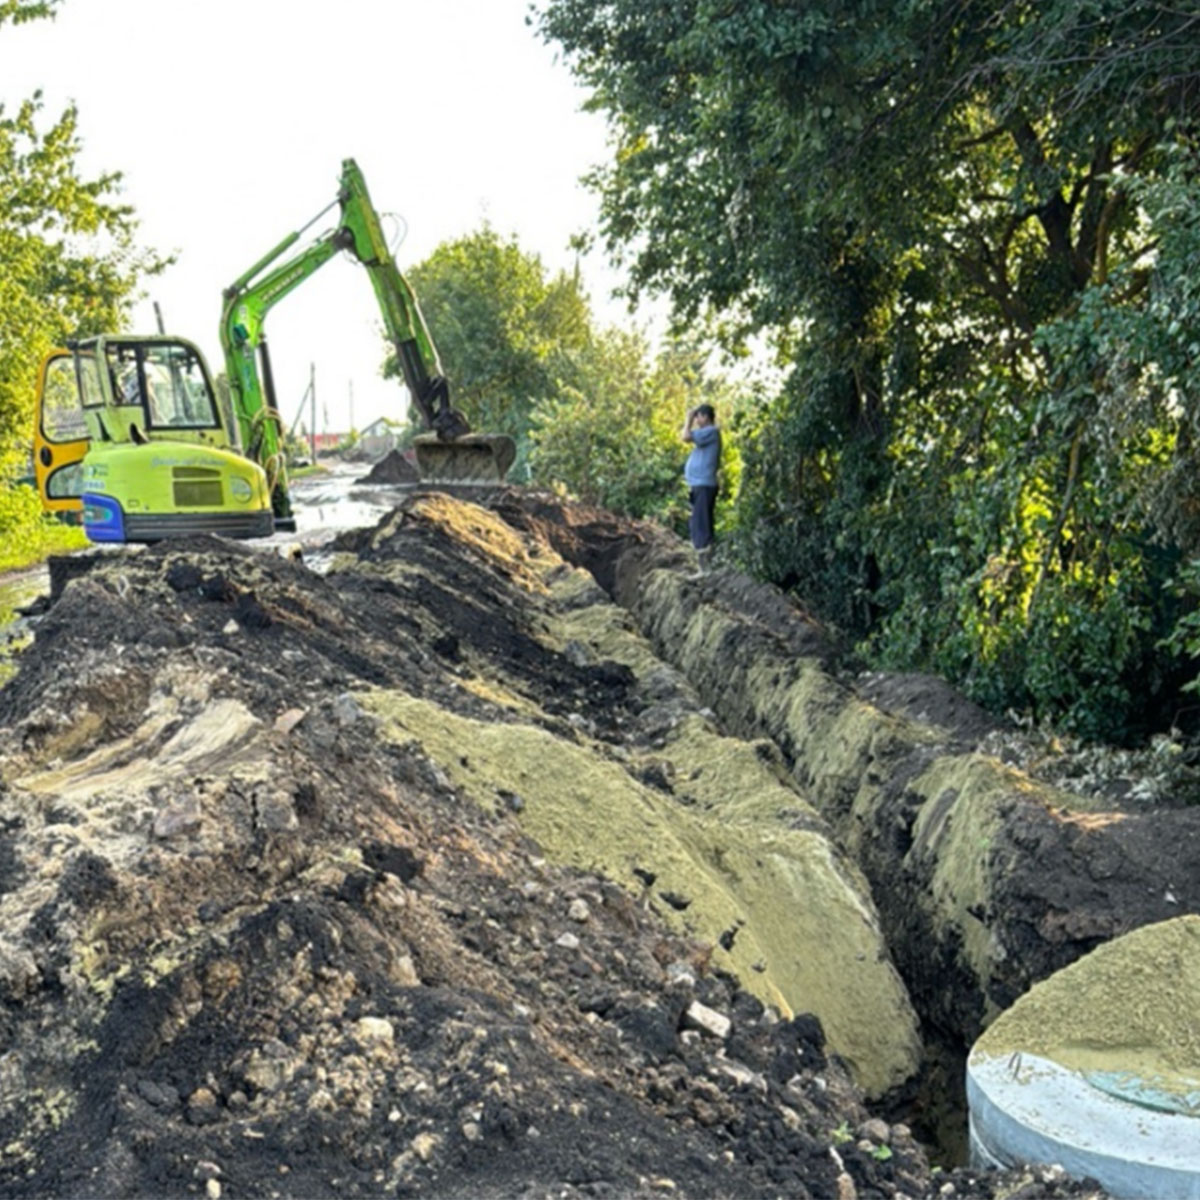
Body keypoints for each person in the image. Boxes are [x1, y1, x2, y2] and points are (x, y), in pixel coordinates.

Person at [681, 402, 721, 575]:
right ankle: (705, 567)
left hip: (704, 485)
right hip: (700, 485)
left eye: (698, 416)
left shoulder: (711, 432)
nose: (696, 420)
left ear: (705, 417)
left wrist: (687, 419)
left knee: (701, 526)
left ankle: (705, 569)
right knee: (699, 524)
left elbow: (685, 436)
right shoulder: (708, 434)